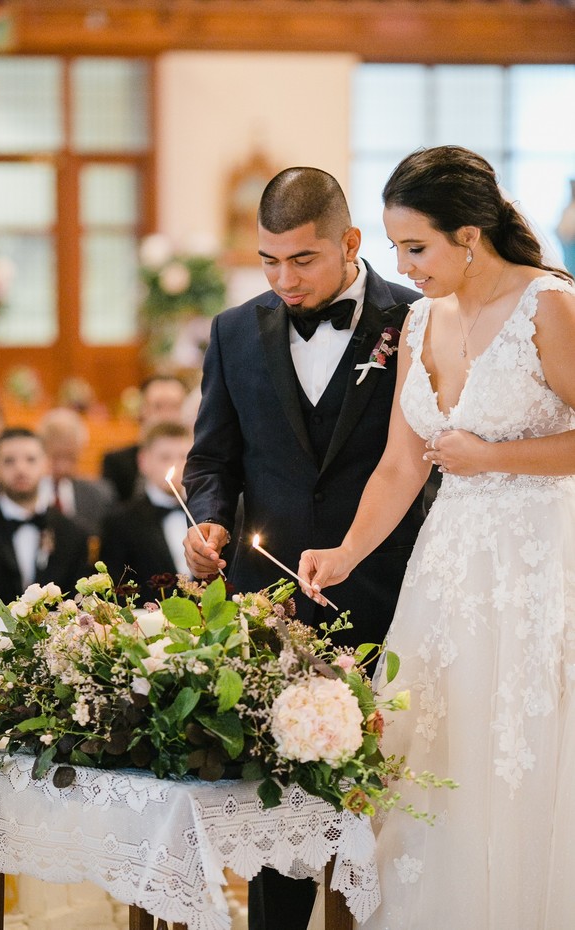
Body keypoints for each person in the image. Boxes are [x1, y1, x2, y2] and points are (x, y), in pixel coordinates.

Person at [298, 146, 575, 930]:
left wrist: (494, 459)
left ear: (469, 235)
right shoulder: (420, 320)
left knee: (516, 750)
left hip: (536, 560)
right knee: (427, 754)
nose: (403, 265)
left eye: (415, 247)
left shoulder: (548, 306)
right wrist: (346, 552)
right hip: (447, 567)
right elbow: (399, 463)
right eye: (396, 248)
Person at [181, 166, 427, 930]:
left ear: (351, 242)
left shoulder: (418, 321)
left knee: (391, 822)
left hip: (394, 598)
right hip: (272, 603)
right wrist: (209, 520)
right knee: (275, 825)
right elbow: (211, 457)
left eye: (303, 259)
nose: (283, 279)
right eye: (268, 260)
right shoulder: (232, 332)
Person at [0, 427, 90, 622]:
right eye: (9, 460)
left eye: (31, 459)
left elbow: (76, 605)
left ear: (46, 465)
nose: (21, 468)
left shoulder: (72, 533)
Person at [99, 421, 192, 593]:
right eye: (165, 457)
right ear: (143, 461)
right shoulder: (120, 522)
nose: (176, 466)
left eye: (183, 457)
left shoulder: (209, 516)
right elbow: (117, 589)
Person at [101, 374, 188, 501]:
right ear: (143, 410)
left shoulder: (202, 459)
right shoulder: (117, 463)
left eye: (174, 406)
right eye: (158, 406)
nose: (167, 415)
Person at [36, 407, 116, 537]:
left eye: (69, 457)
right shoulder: (25, 492)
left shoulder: (99, 495)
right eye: (56, 457)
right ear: (42, 451)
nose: (62, 467)